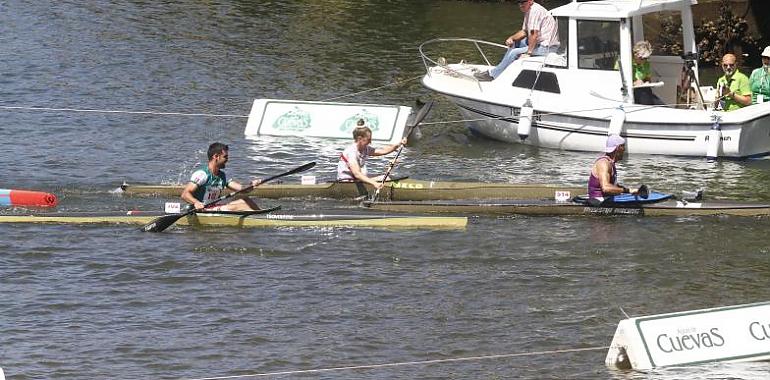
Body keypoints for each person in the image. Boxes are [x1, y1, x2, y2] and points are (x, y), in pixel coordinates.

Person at [474, 0, 559, 81]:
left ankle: (493, 75)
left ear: (530, 1)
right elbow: (525, 31)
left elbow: (534, 34)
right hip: (540, 44)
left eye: (523, 2)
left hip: (547, 48)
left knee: (514, 52)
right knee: (516, 43)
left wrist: (528, 53)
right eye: (519, 2)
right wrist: (511, 38)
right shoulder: (529, 11)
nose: (520, 5)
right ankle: (501, 68)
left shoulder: (535, 11)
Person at [181, 142, 261, 211]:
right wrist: (196, 203)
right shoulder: (202, 174)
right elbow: (185, 194)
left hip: (214, 206)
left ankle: (265, 216)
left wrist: (251, 185)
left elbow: (242, 189)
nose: (227, 159)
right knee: (239, 206)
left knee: (246, 200)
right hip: (202, 209)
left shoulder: (222, 175)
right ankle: (260, 219)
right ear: (216, 156)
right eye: (225, 157)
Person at [337, 120, 406, 190]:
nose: (370, 142)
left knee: (386, 177)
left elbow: (382, 151)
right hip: (347, 183)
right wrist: (374, 183)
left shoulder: (365, 148)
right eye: (368, 139)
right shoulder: (351, 152)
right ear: (359, 139)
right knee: (381, 179)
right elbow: (357, 174)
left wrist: (399, 144)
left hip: (357, 181)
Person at [587, 135, 641, 205]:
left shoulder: (610, 163)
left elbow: (612, 186)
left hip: (607, 198)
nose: (624, 150)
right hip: (598, 200)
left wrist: (629, 190)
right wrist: (627, 190)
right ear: (618, 148)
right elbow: (606, 188)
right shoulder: (603, 163)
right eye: (623, 146)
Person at [629, 41, 664, 106]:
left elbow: (647, 78)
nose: (644, 60)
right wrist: (634, 82)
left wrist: (647, 82)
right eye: (642, 58)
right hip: (631, 92)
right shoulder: (627, 62)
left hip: (644, 90)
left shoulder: (646, 64)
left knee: (663, 106)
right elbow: (618, 81)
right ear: (635, 54)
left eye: (646, 58)